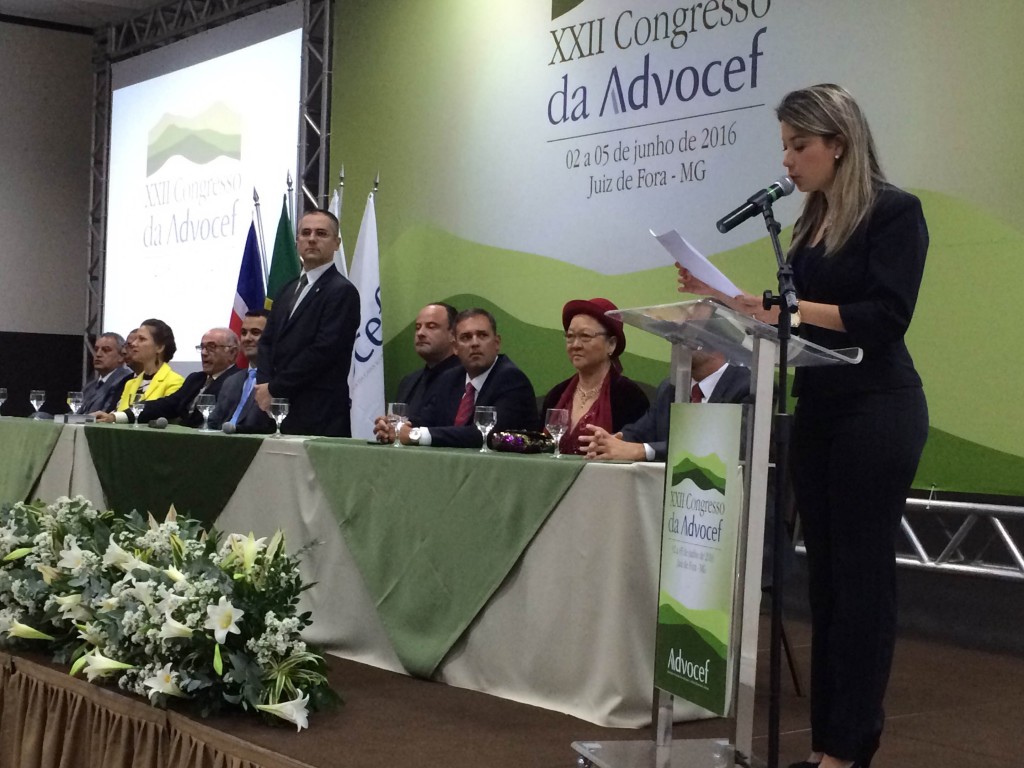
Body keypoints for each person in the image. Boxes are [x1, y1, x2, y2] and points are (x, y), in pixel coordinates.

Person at [678, 84, 929, 768]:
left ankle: (850, 749)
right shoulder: (809, 224)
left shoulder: (894, 212)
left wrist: (779, 308)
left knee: (860, 582)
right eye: (784, 147)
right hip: (817, 405)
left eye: (799, 146)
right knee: (825, 587)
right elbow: (792, 319)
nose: (787, 161)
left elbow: (884, 316)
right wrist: (735, 307)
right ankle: (826, 749)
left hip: (876, 408)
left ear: (838, 144)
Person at [253, 209, 360, 436]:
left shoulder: (342, 291)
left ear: (337, 243)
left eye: (321, 233)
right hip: (275, 409)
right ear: (297, 241)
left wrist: (275, 388)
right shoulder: (287, 289)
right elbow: (267, 342)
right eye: (305, 233)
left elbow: (323, 351)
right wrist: (264, 386)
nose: (311, 239)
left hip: (318, 414)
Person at [381, 308, 539, 448]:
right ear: (455, 348)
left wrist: (415, 435)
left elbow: (487, 435)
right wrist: (394, 428)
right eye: (466, 337)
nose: (475, 343)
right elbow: (426, 420)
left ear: (497, 343)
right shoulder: (449, 379)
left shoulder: (511, 379)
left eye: (482, 335)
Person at [581, 349, 750, 462]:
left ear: (718, 340)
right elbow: (641, 431)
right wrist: (610, 442)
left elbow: (728, 446)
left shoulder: (747, 386)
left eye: (693, 334)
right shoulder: (670, 387)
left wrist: (643, 451)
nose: (682, 341)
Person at [539, 298, 648, 455]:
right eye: (570, 336)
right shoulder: (556, 395)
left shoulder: (629, 397)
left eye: (585, 336)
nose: (575, 345)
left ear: (611, 344)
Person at [130, 327, 240, 427]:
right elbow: (168, 404)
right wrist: (127, 414)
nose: (204, 353)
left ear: (232, 352)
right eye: (202, 347)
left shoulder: (238, 382)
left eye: (212, 347)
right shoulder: (195, 379)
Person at [95, 319, 185, 422]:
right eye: (135, 339)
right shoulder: (130, 383)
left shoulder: (175, 382)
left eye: (142, 339)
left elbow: (163, 416)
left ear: (159, 347)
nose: (134, 344)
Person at [392, 302, 461, 422]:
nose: (420, 333)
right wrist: (388, 426)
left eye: (431, 326)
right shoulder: (408, 382)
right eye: (418, 327)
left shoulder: (465, 380)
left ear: (453, 335)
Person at [209, 311, 275, 433]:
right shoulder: (231, 380)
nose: (247, 338)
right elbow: (213, 422)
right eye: (244, 333)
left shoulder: (277, 381)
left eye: (255, 332)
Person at [80, 332, 133, 414]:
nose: (98, 354)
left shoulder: (125, 381)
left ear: (121, 356)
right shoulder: (89, 386)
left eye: (106, 350)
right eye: (96, 350)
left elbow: (105, 414)